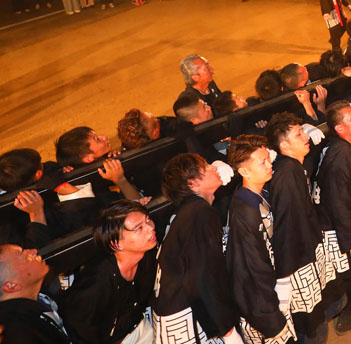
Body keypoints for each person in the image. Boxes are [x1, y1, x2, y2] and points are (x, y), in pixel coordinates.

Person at [152, 153, 242, 344]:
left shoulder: (187, 211)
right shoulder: (199, 213)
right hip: (187, 315)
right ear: (193, 183)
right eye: (206, 167)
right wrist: (227, 331)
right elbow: (203, 275)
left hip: (179, 313)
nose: (214, 167)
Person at [265, 113, 333, 344]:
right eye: (298, 135)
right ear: (284, 145)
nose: (305, 137)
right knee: (310, 324)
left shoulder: (293, 165)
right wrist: (285, 276)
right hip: (298, 261)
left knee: (315, 317)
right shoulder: (286, 176)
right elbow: (285, 227)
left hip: (306, 251)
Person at [225, 136, 296, 344]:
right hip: (260, 304)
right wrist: (269, 309)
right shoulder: (244, 212)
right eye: (262, 162)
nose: (269, 165)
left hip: (269, 291)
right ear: (244, 171)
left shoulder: (258, 193)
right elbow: (250, 268)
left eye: (268, 158)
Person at [312, 101, 351, 335]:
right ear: (339, 129)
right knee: (338, 283)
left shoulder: (341, 147)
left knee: (349, 277)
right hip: (338, 232)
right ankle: (320, 329)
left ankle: (342, 317)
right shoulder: (340, 156)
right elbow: (338, 205)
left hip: (341, 224)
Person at [60, 200, 157, 344]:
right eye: (139, 228)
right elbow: (79, 329)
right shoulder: (97, 281)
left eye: (148, 219)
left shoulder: (148, 253)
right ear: (116, 243)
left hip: (138, 328)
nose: (150, 228)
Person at [0, 244, 70, 344]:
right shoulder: (20, 333)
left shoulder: (35, 296)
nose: (33, 251)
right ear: (11, 286)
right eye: (23, 256)